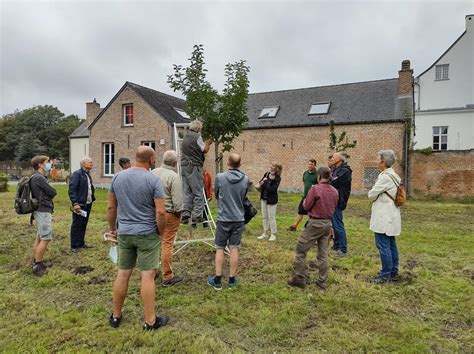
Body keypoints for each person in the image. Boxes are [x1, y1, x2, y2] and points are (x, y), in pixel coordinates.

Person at [107, 146, 168, 330]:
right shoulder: (153, 180)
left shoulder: (117, 177)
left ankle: (116, 315)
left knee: (123, 273)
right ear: (151, 160)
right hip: (147, 233)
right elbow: (161, 211)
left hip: (125, 232)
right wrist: (161, 231)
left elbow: (111, 208)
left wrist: (113, 229)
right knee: (148, 275)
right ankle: (150, 320)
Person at [288, 166, 338, 289]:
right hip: (327, 224)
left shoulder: (315, 189)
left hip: (315, 223)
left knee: (301, 249)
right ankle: (322, 281)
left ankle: (299, 278)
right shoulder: (334, 191)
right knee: (323, 253)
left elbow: (306, 206)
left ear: (319, 176)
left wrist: (305, 202)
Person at [207, 153, 248, 290]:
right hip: (238, 218)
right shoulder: (245, 179)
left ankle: (217, 280)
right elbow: (243, 196)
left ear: (228, 163)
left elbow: (217, 194)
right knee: (234, 248)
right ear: (240, 163)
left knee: (219, 248)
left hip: (224, 218)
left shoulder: (220, 177)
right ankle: (231, 280)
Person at [368, 150, 402, 284]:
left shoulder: (385, 177)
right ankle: (393, 272)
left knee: (383, 245)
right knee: (391, 244)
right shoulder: (395, 175)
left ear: (383, 162)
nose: (377, 162)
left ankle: (385, 274)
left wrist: (372, 194)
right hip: (391, 214)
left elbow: (371, 194)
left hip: (383, 215)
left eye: (378, 159)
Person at [151, 150, 184, 287]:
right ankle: (167, 276)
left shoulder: (152, 174)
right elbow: (177, 201)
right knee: (167, 243)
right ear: (175, 162)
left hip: (152, 213)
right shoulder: (174, 176)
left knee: (152, 243)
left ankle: (151, 271)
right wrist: (179, 213)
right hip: (168, 214)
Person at [180, 120, 213, 224]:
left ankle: (186, 213)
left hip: (184, 165)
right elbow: (204, 150)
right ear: (199, 128)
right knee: (198, 191)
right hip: (194, 166)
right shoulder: (197, 136)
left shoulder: (185, 136)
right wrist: (208, 143)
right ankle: (197, 215)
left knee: (187, 190)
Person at [29, 155, 57, 276]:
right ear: (40, 165)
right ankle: (37, 265)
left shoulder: (35, 177)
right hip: (43, 209)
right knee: (46, 238)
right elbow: (52, 192)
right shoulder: (39, 178)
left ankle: (36, 260)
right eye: (47, 162)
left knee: (40, 237)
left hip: (39, 209)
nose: (49, 164)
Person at [68, 157, 95, 253]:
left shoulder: (87, 174)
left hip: (87, 203)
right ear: (83, 164)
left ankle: (81, 242)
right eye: (90, 162)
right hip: (79, 204)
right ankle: (74, 245)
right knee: (76, 224)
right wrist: (75, 203)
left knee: (83, 223)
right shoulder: (77, 174)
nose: (92, 163)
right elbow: (72, 190)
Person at [330, 152, 352, 257]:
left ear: (340, 159)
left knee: (338, 224)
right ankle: (336, 244)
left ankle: (343, 249)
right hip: (333, 199)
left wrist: (329, 179)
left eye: (334, 157)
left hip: (339, 200)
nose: (332, 158)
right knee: (334, 224)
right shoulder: (335, 169)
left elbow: (334, 183)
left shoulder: (345, 171)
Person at [288, 159, 318, 232]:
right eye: (309, 164)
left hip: (313, 198)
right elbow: (305, 183)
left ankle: (308, 228)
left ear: (315, 165)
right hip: (305, 197)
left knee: (312, 214)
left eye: (312, 164)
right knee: (300, 211)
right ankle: (294, 226)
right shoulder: (305, 173)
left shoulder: (317, 174)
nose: (310, 166)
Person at [257, 163, 282, 241]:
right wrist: (262, 182)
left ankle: (273, 234)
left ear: (277, 168)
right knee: (264, 217)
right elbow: (260, 182)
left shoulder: (277, 178)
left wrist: (265, 182)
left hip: (272, 200)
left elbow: (272, 190)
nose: (272, 167)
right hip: (263, 198)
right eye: (271, 165)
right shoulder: (266, 174)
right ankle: (265, 233)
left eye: (274, 166)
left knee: (271, 217)